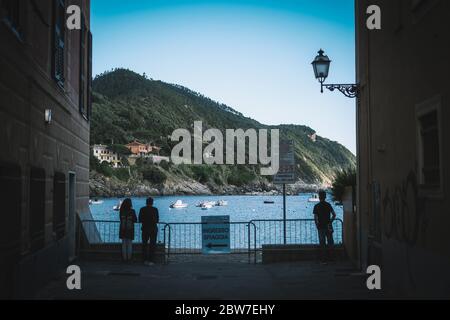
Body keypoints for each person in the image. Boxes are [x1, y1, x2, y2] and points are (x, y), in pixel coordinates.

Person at [313, 191, 336, 263]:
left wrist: (317, 225)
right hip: (328, 226)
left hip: (320, 227)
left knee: (322, 243)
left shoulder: (316, 206)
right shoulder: (328, 205)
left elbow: (315, 218)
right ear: (325, 197)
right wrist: (330, 222)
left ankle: (324, 259)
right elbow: (334, 215)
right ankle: (332, 258)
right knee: (330, 242)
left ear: (319, 197)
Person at [139, 197, 159, 266]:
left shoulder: (142, 209)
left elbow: (140, 219)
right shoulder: (155, 209)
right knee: (152, 245)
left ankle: (144, 260)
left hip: (145, 229)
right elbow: (157, 220)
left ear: (146, 202)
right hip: (153, 229)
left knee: (144, 244)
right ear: (152, 202)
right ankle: (152, 260)